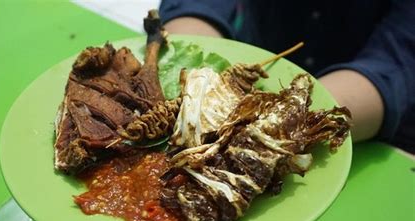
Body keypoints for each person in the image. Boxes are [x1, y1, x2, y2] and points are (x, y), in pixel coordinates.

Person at [158, 0, 415, 153]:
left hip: (365, 122)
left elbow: (400, 57)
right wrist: (192, 74)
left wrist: (280, 125)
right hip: (254, 68)